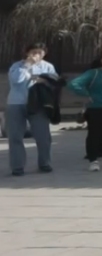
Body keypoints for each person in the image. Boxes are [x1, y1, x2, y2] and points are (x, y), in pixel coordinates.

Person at [7, 43, 61, 176]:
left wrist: (45, 82)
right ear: (27, 53)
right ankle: (17, 166)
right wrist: (27, 65)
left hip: (38, 104)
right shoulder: (17, 66)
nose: (37, 55)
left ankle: (45, 163)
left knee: (43, 136)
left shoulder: (48, 66)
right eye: (33, 52)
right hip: (16, 103)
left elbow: (55, 83)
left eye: (40, 52)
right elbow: (16, 80)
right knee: (15, 136)